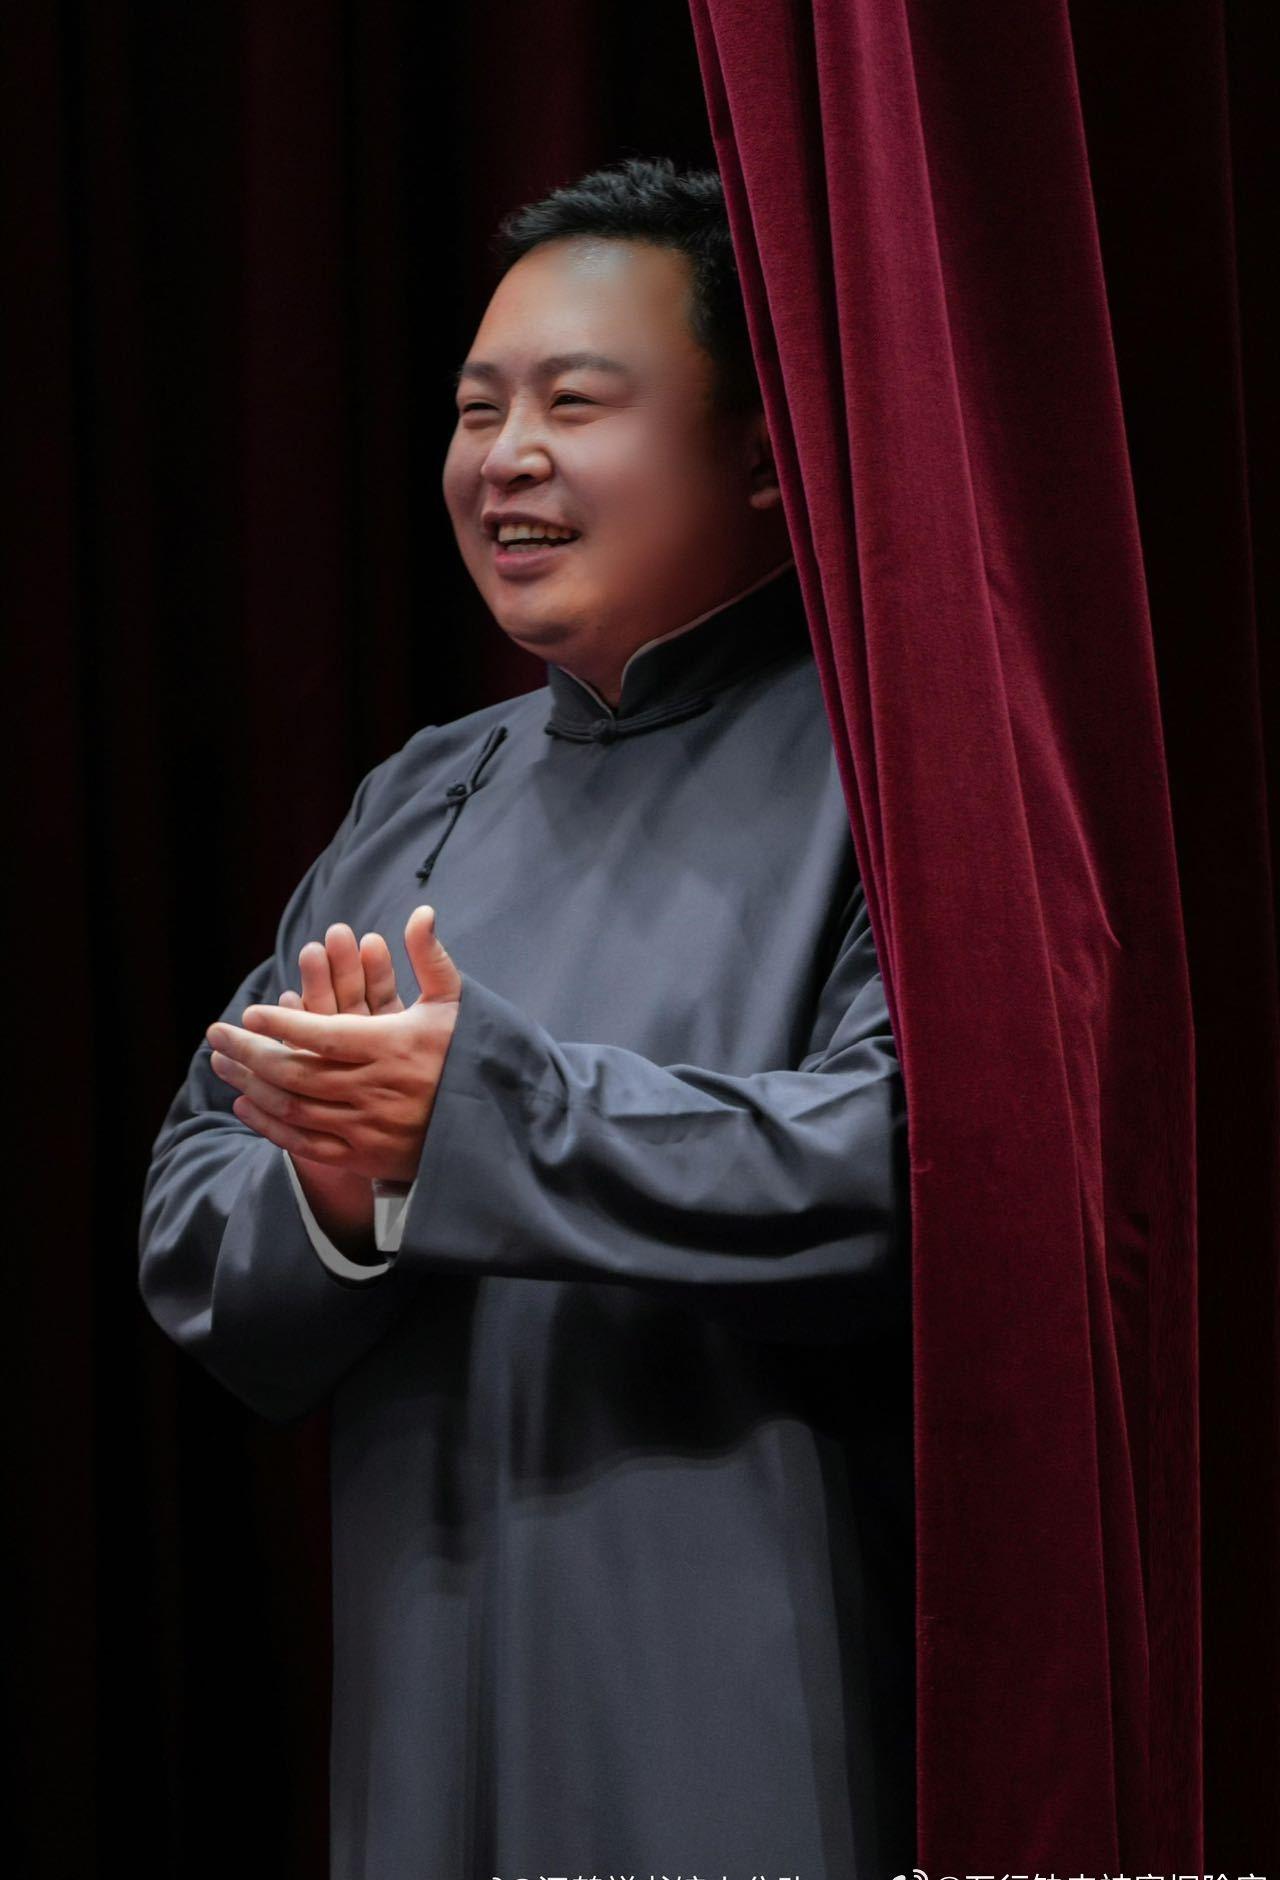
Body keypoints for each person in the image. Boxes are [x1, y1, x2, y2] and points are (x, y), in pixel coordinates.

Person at [138, 155, 916, 1878]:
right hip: (426, 1641)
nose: (505, 459)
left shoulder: (892, 780)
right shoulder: (425, 796)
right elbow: (195, 1203)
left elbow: (917, 1166)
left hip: (747, 1642)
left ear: (766, 457)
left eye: (575, 403)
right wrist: (339, 1202)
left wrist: (477, 1121)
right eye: (477, 409)